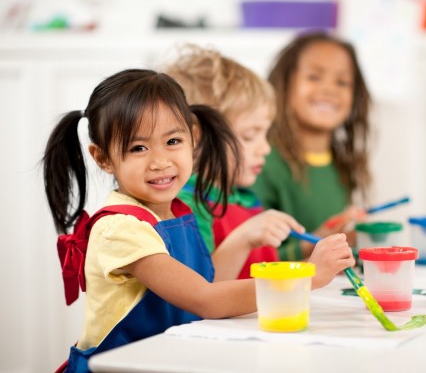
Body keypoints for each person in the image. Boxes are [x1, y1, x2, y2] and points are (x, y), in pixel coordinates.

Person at [43, 69, 354, 373]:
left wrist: (245, 241)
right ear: (102, 158)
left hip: (170, 359)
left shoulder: (176, 210)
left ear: (191, 138)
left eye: (173, 141)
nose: (160, 161)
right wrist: (307, 278)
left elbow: (209, 285)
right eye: (138, 148)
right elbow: (206, 300)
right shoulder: (121, 228)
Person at [161, 45, 353, 280]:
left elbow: (260, 283)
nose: (265, 148)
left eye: (265, 134)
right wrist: (244, 238)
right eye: (250, 135)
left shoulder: (245, 199)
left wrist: (317, 265)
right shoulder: (187, 206)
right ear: (196, 138)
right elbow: (199, 292)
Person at [251, 31, 373, 261]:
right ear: (284, 86)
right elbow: (250, 263)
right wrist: (318, 241)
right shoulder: (262, 163)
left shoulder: (341, 163)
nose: (329, 89)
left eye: (342, 82)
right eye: (314, 77)